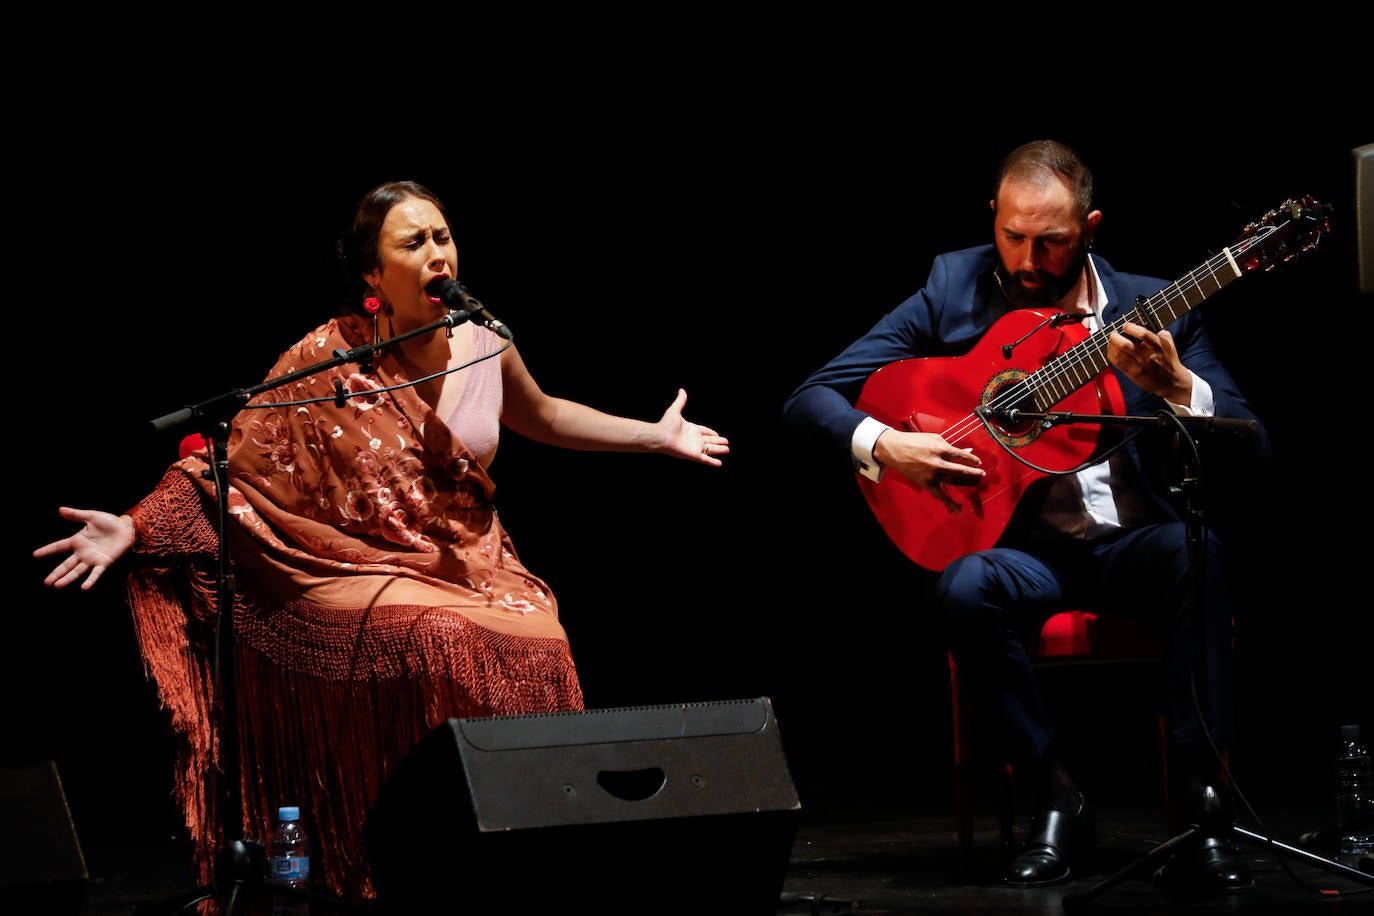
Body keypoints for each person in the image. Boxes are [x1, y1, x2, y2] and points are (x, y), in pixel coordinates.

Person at [34, 179, 730, 904]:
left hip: (468, 558)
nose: (437, 253)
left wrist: (654, 435)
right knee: (434, 635)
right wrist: (139, 525)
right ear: (373, 273)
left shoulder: (484, 340)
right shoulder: (327, 357)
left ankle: (524, 856)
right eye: (414, 243)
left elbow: (545, 415)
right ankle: (409, 852)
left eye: (442, 237)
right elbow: (233, 460)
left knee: (541, 639)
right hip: (348, 559)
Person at [782, 140, 1269, 894]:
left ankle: (1202, 801)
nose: (1027, 258)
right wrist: (886, 444)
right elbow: (812, 397)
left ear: (1091, 227)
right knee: (964, 588)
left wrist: (1178, 388)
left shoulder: (1156, 303)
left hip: (1135, 541)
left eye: (1052, 241)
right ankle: (1054, 796)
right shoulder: (953, 288)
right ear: (994, 218)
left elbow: (1252, 442)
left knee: (1196, 551)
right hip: (1028, 550)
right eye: (1012, 235)